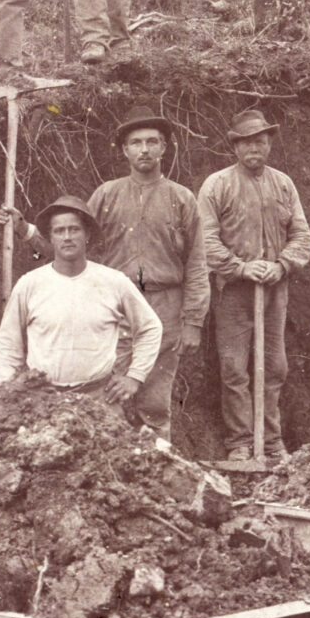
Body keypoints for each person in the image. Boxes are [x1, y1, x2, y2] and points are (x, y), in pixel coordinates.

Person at [197, 108, 310, 461]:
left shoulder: (283, 184)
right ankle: (240, 442)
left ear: (269, 145)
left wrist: (281, 265)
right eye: (246, 143)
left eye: (260, 141)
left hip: (275, 291)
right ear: (235, 147)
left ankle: (271, 441)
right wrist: (241, 268)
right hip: (233, 292)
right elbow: (205, 241)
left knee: (274, 367)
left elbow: (302, 236)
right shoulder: (217, 185)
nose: (254, 148)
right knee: (234, 368)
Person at [85, 108, 209, 432]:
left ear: (163, 148)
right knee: (108, 391)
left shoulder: (182, 199)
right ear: (125, 150)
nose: (144, 150)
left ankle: (158, 458)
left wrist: (193, 321)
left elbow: (197, 263)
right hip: (114, 306)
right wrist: (27, 231)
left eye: (152, 142)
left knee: (154, 399)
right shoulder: (106, 195)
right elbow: (74, 243)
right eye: (136, 143)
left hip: (164, 306)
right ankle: (114, 460)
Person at [0, 195, 163, 399]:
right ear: (50, 237)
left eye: (74, 229)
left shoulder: (113, 281)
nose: (67, 237)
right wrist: (9, 388)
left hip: (99, 398)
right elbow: (7, 343)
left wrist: (135, 376)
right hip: (43, 399)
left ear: (87, 234)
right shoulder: (30, 284)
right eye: (59, 231)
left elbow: (150, 327)